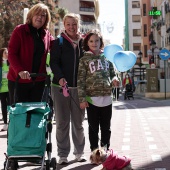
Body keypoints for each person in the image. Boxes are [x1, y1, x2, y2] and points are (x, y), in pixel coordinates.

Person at [50, 13, 86, 164]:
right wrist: (60, 77)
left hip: (79, 88)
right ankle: (63, 155)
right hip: (60, 87)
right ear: (64, 25)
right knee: (62, 122)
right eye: (69, 24)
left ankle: (79, 153)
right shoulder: (58, 42)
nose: (72, 27)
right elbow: (54, 63)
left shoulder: (84, 42)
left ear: (78, 25)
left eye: (74, 24)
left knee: (78, 122)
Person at [77, 29, 119, 152]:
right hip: (91, 99)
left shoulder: (107, 58)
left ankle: (105, 150)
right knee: (93, 127)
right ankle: (94, 151)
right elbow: (80, 80)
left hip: (107, 98)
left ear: (101, 42)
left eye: (97, 40)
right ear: (87, 43)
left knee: (106, 127)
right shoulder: (84, 59)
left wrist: (115, 80)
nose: (94, 43)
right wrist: (82, 99)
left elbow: (113, 74)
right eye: (91, 41)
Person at [7, 3, 54, 104]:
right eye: (37, 14)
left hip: (38, 81)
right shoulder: (20, 30)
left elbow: (57, 47)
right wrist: (20, 71)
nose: (39, 17)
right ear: (31, 15)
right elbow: (11, 53)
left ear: (46, 19)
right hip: (19, 80)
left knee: (35, 115)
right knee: (20, 115)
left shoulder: (46, 34)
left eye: (43, 15)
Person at [0, 48, 9, 131]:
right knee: (3, 106)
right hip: (2, 89)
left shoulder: (10, 62)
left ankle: (11, 122)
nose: (7, 54)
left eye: (7, 53)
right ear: (2, 54)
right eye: (5, 53)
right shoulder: (1, 64)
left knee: (10, 105)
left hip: (10, 88)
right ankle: (5, 123)